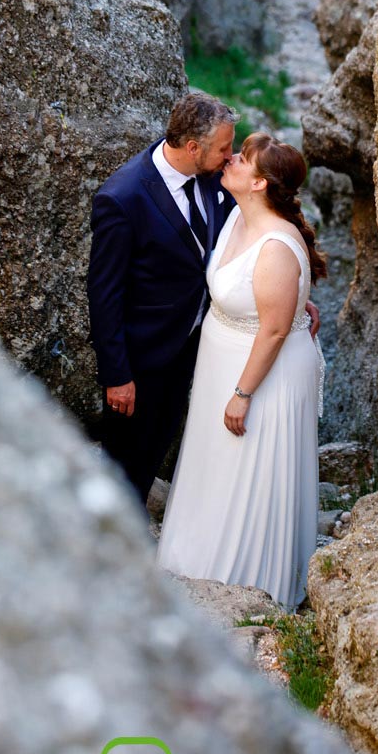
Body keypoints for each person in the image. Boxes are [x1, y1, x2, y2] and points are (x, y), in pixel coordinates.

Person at [155, 132, 326, 611]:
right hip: (222, 363)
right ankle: (194, 563)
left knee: (247, 471)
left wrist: (243, 393)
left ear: (260, 183)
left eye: (242, 158)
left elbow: (272, 331)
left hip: (258, 375)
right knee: (215, 467)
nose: (229, 159)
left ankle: (251, 588)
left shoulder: (274, 244)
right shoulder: (235, 215)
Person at [86, 92, 238, 508]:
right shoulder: (123, 198)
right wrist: (117, 375)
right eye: (225, 148)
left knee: (153, 453)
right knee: (123, 466)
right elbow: (104, 293)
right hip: (139, 362)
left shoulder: (210, 178)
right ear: (193, 148)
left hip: (188, 351)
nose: (231, 156)